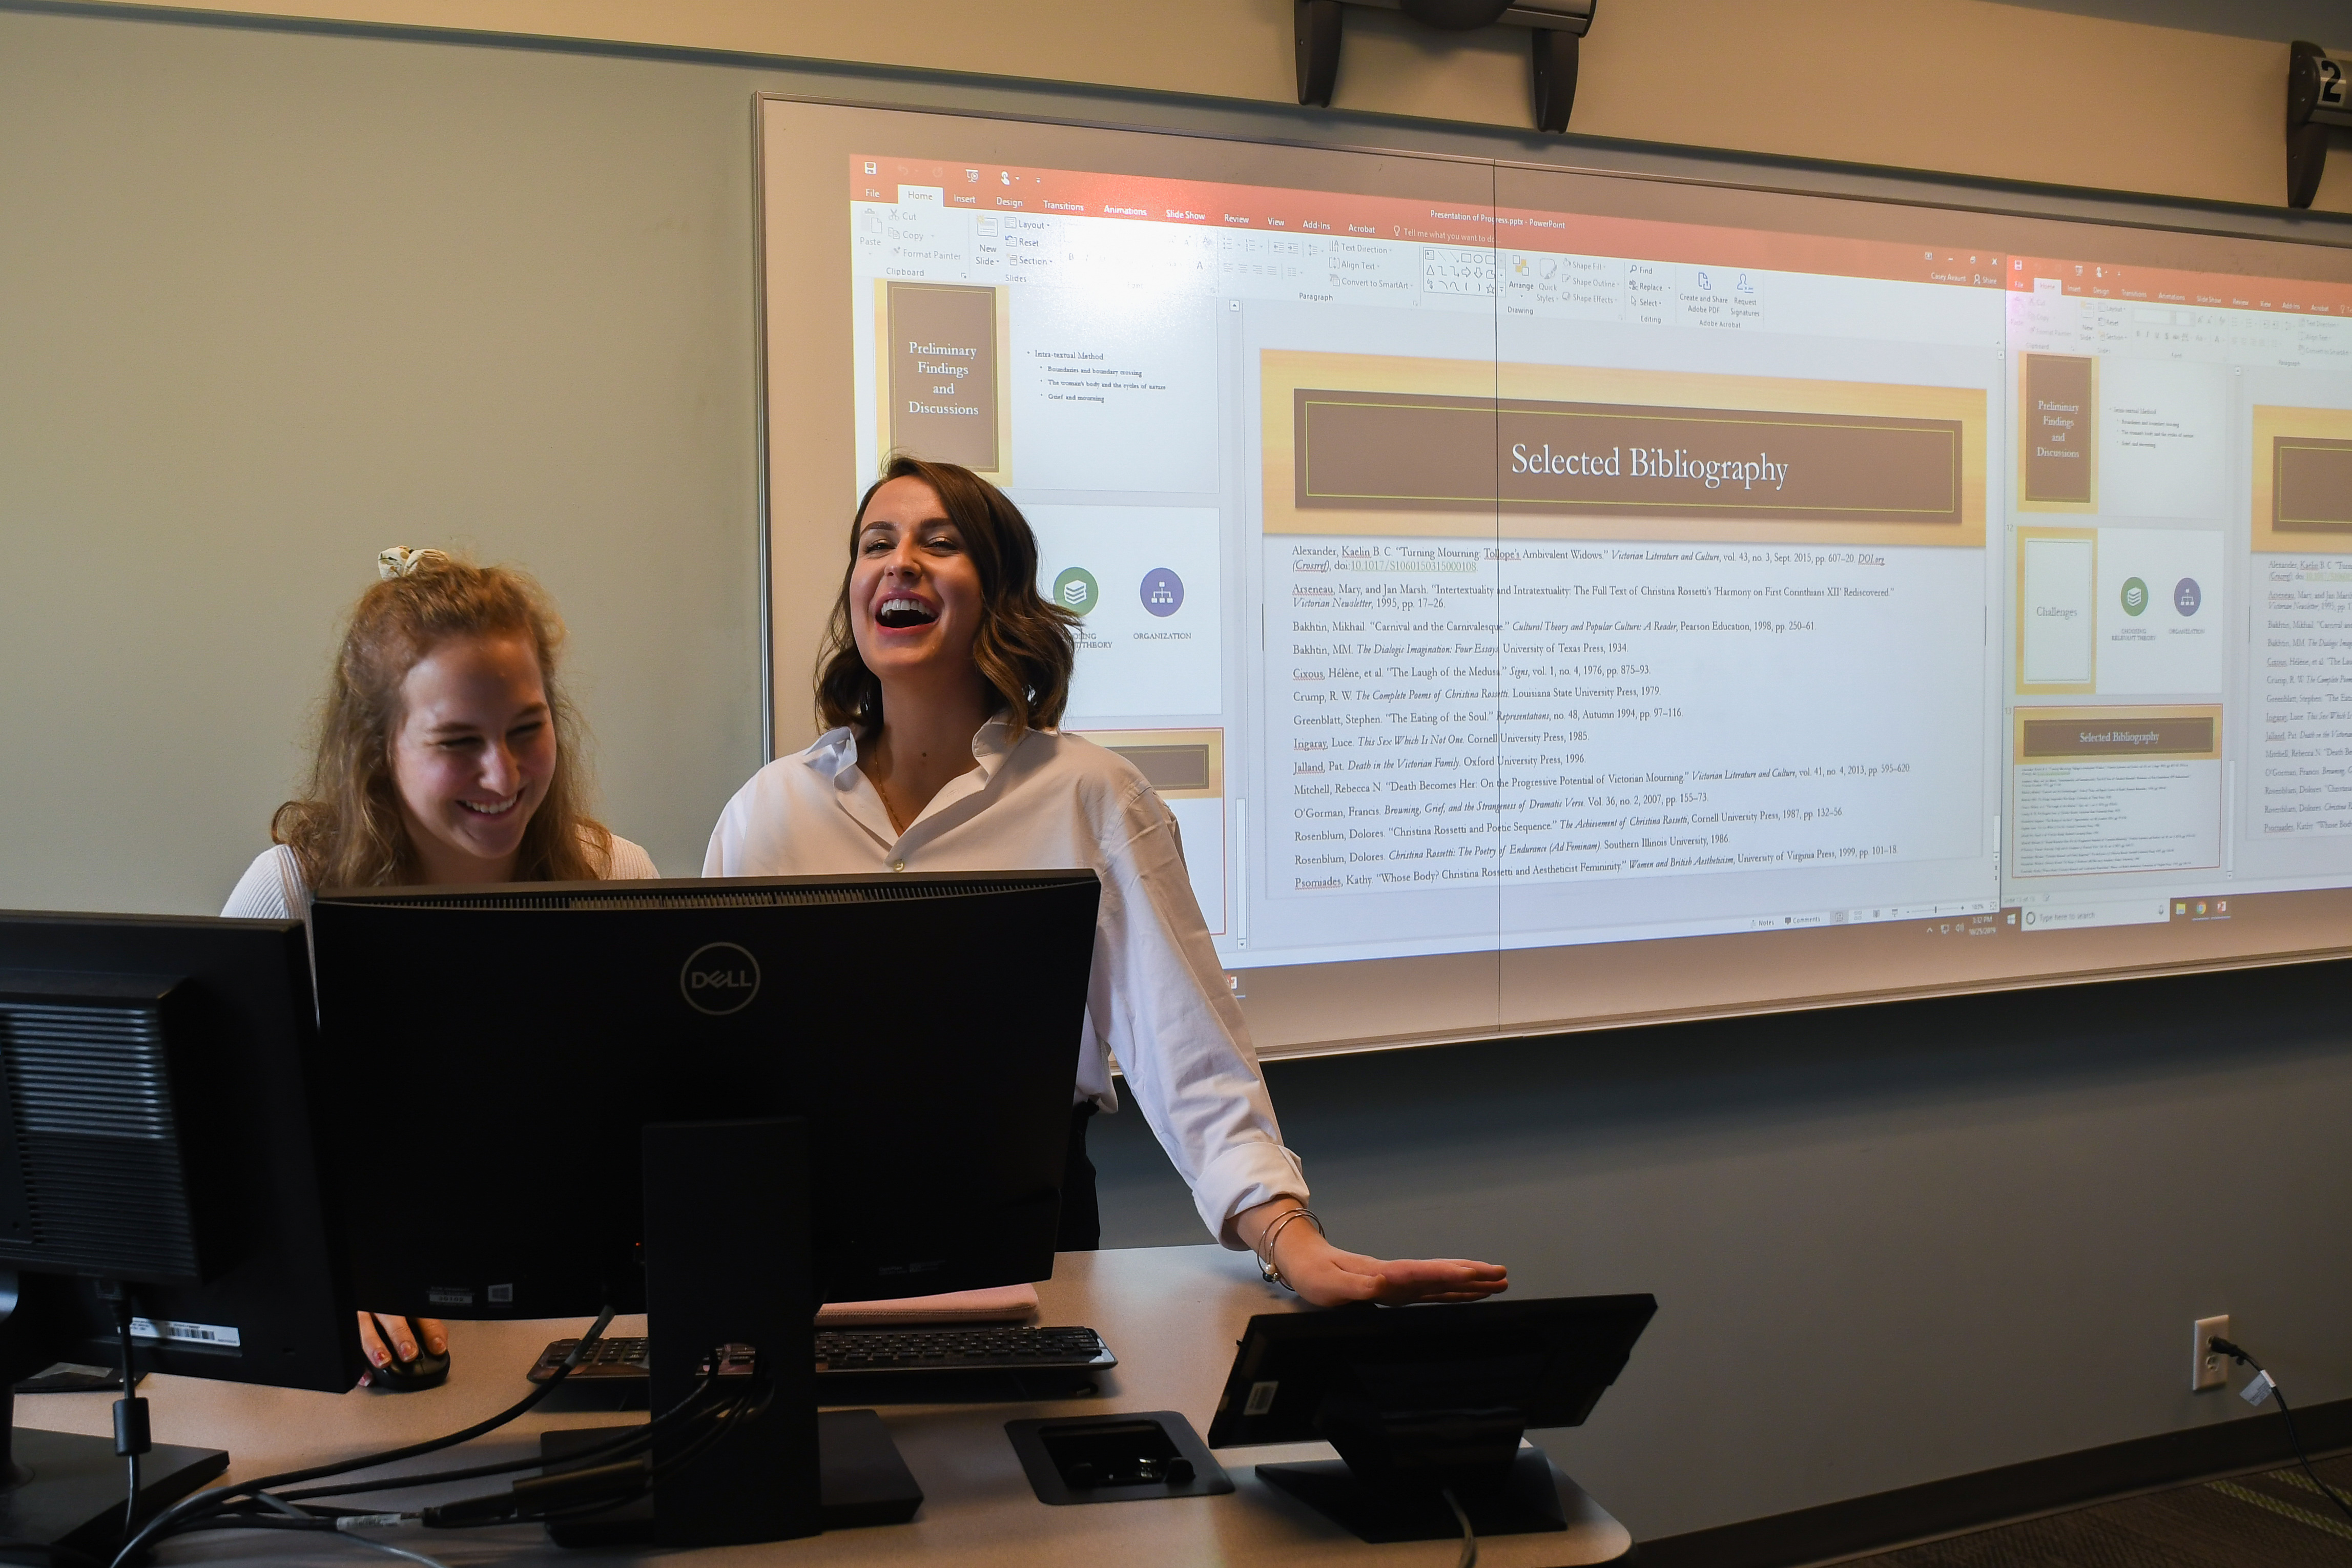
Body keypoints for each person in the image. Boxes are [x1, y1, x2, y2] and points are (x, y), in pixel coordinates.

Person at [705, 457, 1508, 1309]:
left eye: (939, 543)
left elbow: (1184, 1045)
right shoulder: (770, 809)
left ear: (999, 593)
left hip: (1017, 1230)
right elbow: (711, 1067)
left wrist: (1286, 1237)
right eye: (876, 544)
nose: (900, 562)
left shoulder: (1092, 795)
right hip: (794, 1237)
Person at [225, 546, 659, 1379]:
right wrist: (329, 1283)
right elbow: (230, 1174)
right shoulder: (287, 896)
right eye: (458, 742)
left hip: (574, 1333)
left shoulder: (617, 878)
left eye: (527, 730)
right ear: (377, 748)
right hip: (380, 1362)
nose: (503, 774)